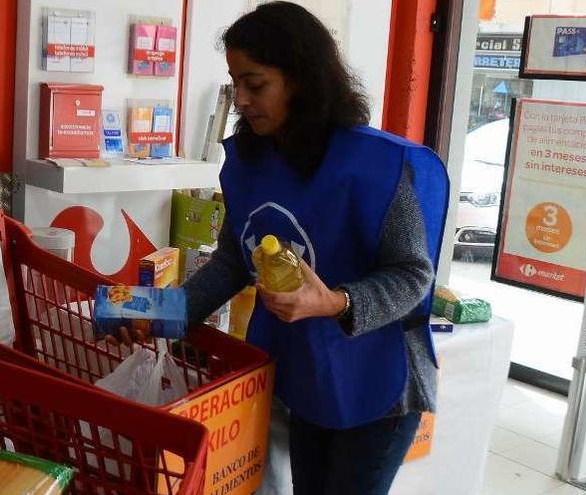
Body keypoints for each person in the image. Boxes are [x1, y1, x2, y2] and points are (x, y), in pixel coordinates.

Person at [181, 3, 450, 494]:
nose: (240, 99)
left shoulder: (380, 167)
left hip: (378, 384)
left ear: (301, 79)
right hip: (306, 374)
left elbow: (414, 276)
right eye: (235, 83)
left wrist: (335, 302)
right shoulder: (251, 162)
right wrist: (172, 312)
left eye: (255, 84)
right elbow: (231, 261)